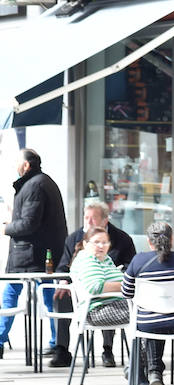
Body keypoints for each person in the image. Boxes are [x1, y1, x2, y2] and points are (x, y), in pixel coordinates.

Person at [0, 149, 68, 356]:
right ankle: (57, 342)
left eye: (17, 162)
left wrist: (7, 228)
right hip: (38, 253)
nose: (15, 166)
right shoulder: (41, 182)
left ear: (27, 165)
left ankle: (0, 340)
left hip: (30, 255)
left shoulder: (34, 185)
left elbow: (29, 223)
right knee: (48, 296)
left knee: (10, 295)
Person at [53, 202, 136, 367]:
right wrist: (64, 281)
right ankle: (62, 349)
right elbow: (63, 266)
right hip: (86, 291)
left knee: (111, 300)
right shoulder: (74, 239)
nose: (89, 222)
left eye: (93, 218)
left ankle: (107, 349)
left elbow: (130, 267)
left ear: (105, 221)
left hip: (111, 294)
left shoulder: (122, 239)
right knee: (61, 298)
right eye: (86, 218)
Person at [121, 221, 174, 385]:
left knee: (154, 314)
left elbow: (126, 292)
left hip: (150, 323)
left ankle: (154, 373)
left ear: (149, 242)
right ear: (172, 239)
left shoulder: (138, 261)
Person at [68, 226, 128, 341]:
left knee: (148, 311)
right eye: (96, 242)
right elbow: (96, 286)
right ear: (85, 244)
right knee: (146, 314)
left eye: (105, 243)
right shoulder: (87, 258)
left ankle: (144, 357)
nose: (101, 246)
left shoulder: (105, 259)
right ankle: (144, 358)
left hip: (113, 305)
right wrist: (126, 286)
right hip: (96, 311)